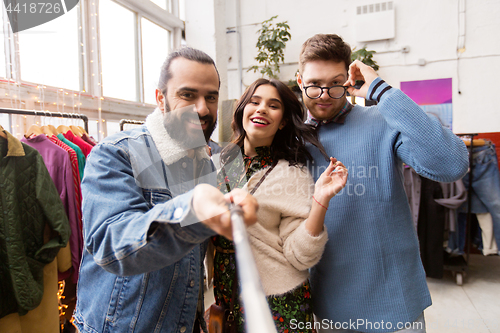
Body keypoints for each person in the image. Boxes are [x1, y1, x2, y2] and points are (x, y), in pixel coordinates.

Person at [72, 47, 259, 333]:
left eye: (211, 96)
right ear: (160, 98)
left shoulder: (220, 159)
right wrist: (191, 210)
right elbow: (110, 243)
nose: (202, 109)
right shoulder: (114, 153)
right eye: (187, 95)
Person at [296, 34, 469, 333]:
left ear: (349, 80)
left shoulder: (382, 119)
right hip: (328, 310)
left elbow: (452, 164)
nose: (324, 94)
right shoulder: (294, 141)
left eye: (335, 83)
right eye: (314, 84)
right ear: (299, 81)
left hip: (395, 306)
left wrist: (381, 90)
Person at [210, 78, 348, 332]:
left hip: (279, 303)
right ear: (242, 110)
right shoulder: (219, 164)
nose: (262, 108)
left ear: (283, 121)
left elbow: (300, 256)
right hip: (229, 299)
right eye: (255, 101)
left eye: (273, 105)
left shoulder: (291, 174)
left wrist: (320, 200)